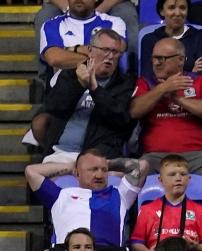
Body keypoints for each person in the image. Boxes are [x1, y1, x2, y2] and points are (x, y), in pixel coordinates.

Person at [130, 37, 202, 199]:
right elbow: (134, 111)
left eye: (163, 58)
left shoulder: (199, 81)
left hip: (199, 155)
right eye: (154, 58)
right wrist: (162, 89)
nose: (157, 63)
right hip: (156, 156)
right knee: (136, 174)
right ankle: (138, 217)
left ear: (180, 60)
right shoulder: (145, 83)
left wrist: (177, 99)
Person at [30, 27, 134, 164]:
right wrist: (78, 84)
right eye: (105, 50)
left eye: (115, 52)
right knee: (32, 172)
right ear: (90, 50)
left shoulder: (125, 83)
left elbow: (120, 118)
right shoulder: (70, 74)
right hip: (61, 152)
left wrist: (95, 89)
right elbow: (54, 107)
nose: (110, 56)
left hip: (98, 157)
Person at [38, 0, 127, 84]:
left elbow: (117, 50)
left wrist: (71, 49)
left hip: (102, 89)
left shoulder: (114, 23)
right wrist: (96, 58)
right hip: (64, 90)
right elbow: (54, 58)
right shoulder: (52, 25)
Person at [128, 155, 202, 251]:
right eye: (172, 174)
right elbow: (136, 243)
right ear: (161, 180)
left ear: (188, 179)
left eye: (183, 174)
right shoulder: (147, 210)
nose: (178, 178)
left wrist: (195, 246)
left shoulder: (201, 211)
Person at [137, 0, 202, 78]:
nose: (177, 13)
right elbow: (148, 78)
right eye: (171, 8)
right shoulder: (149, 40)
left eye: (182, 8)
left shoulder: (199, 37)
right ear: (161, 11)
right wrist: (191, 73)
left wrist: (165, 76)